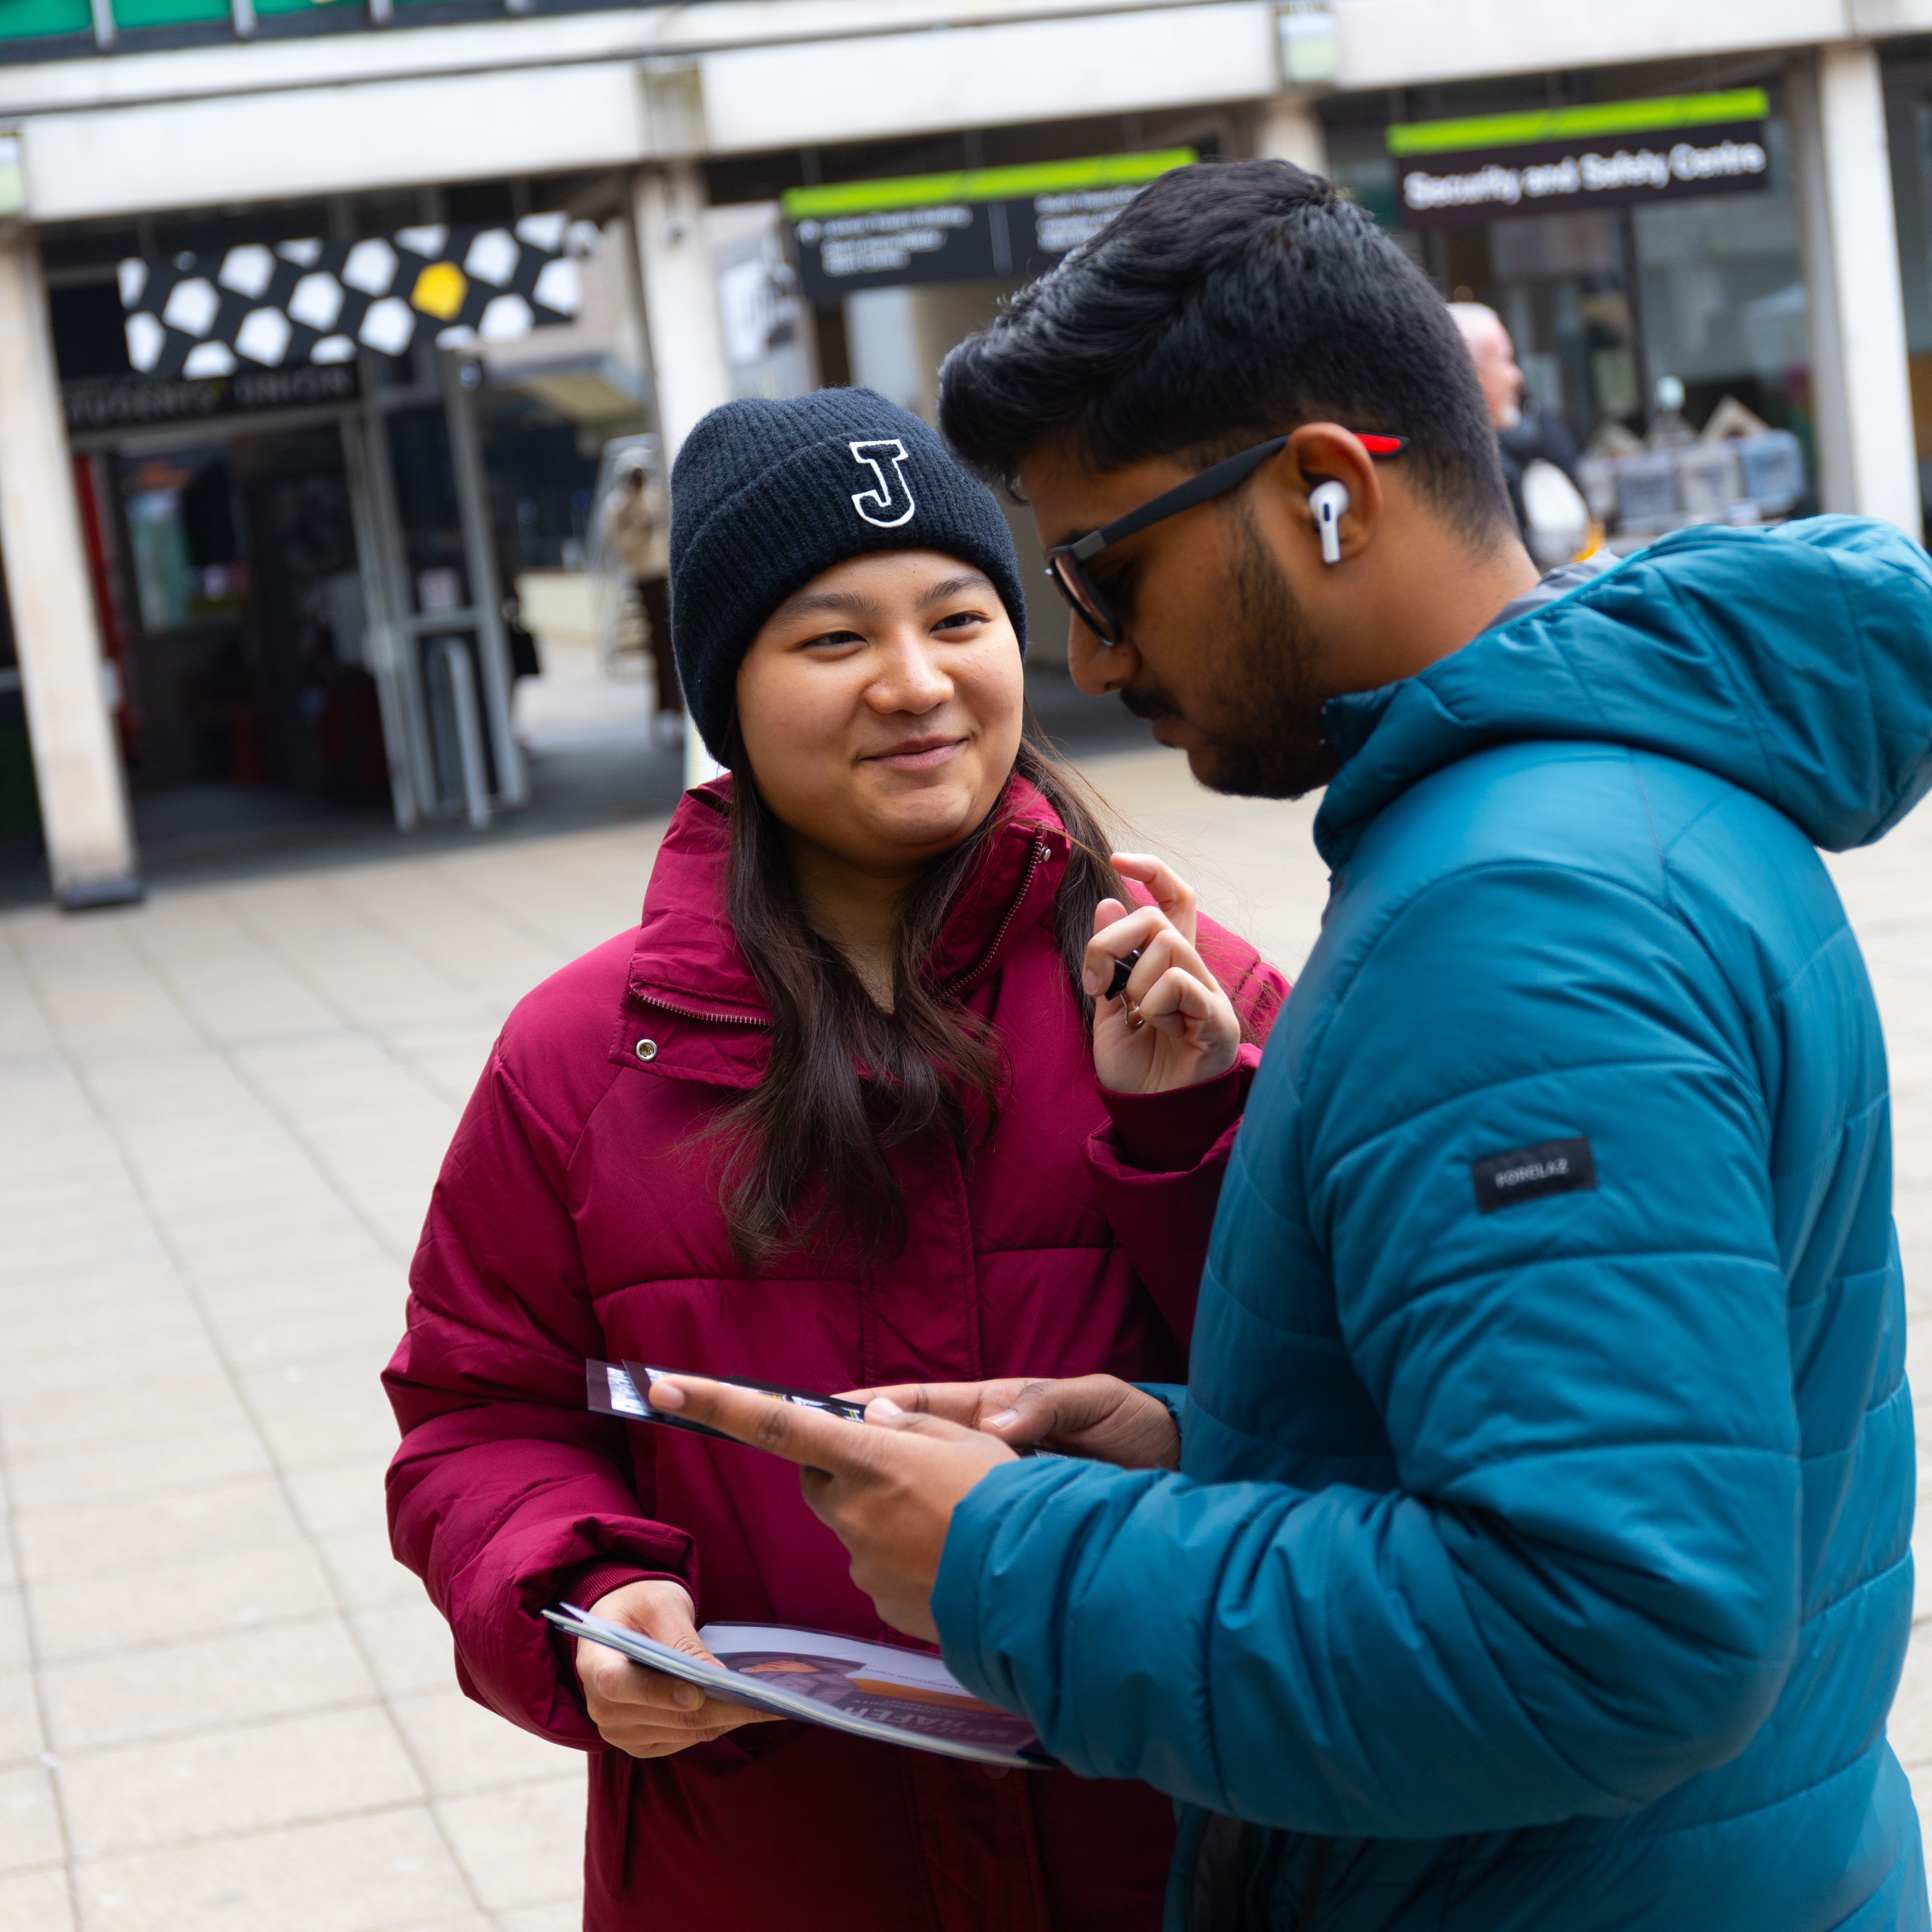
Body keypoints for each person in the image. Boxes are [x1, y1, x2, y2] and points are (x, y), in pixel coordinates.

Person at [646, 162, 1932, 1931]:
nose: (1087, 655)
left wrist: (1008, 1556)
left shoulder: (1519, 918)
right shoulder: (1593, 805)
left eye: (1108, 572)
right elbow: (1592, 1452)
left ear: (1327, 494)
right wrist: (1206, 1446)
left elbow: (1616, 1629)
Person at [383, 388, 1288, 1932]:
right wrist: (589, 1603)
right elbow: (477, 1418)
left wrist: (1191, 1125)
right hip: (768, 1861)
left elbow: (1326, 1402)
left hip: (1161, 1843)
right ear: (729, 690)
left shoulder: (1187, 986)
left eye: (957, 615)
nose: (917, 683)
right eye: (833, 639)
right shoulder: (583, 1056)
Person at [1449, 300, 1593, 565]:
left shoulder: (1535, 433)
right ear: (1469, 375)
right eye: (1505, 361)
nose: (1516, 376)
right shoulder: (1464, 473)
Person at [596, 442, 680, 744]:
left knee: (672, 649)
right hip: (645, 580)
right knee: (661, 649)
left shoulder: (654, 496)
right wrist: (639, 530)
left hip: (664, 576)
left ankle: (676, 711)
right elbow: (619, 544)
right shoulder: (617, 506)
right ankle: (670, 712)